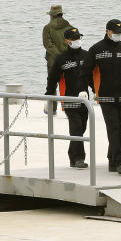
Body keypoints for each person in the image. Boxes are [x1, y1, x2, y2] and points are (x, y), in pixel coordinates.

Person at [84, 19, 121, 175]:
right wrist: (90, 89)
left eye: (120, 33)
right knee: (113, 127)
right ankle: (119, 161)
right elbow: (85, 72)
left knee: (120, 128)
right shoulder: (96, 49)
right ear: (107, 31)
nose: (118, 35)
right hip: (105, 96)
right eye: (115, 33)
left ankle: (112, 160)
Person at [45, 27, 89, 169]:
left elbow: (92, 78)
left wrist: (97, 92)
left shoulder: (86, 55)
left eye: (78, 38)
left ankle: (72, 155)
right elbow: (52, 79)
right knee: (76, 129)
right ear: (66, 41)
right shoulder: (61, 59)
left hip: (84, 100)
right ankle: (79, 158)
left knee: (81, 129)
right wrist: (49, 96)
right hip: (69, 98)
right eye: (74, 39)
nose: (77, 41)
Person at [43, 5, 73, 70]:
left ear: (51, 16)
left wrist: (60, 57)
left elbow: (48, 45)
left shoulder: (47, 28)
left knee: (53, 80)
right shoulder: (70, 27)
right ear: (61, 14)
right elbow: (74, 45)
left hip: (53, 63)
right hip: (69, 63)